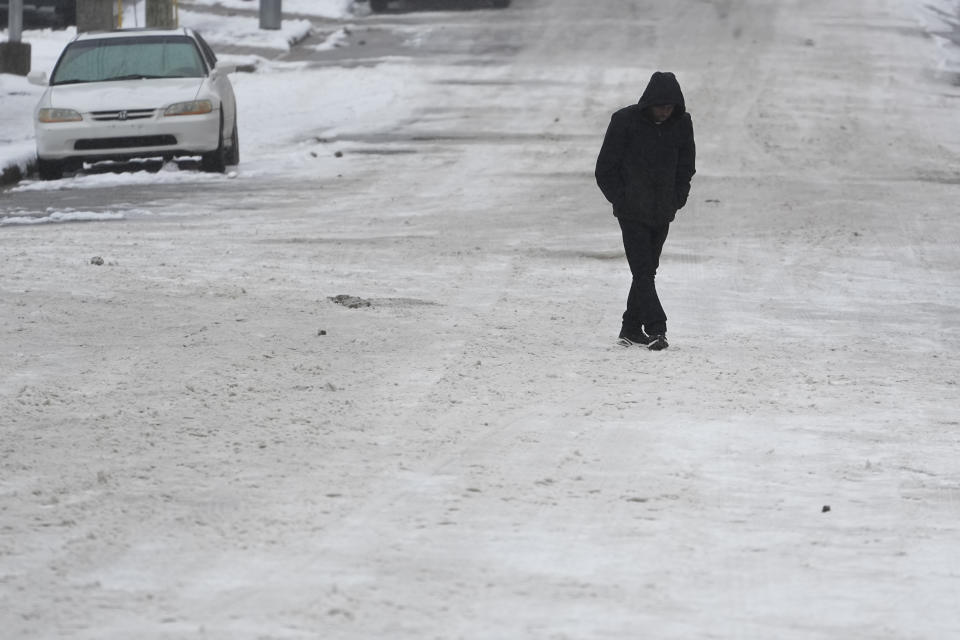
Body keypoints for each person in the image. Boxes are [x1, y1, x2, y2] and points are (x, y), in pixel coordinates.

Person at [595, 71, 696, 350]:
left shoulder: (682, 124)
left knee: (647, 269)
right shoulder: (624, 121)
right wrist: (621, 199)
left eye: (670, 106)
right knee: (643, 271)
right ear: (648, 102)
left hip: (662, 209)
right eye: (660, 106)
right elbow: (605, 168)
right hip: (631, 212)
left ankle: (630, 329)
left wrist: (677, 198)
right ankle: (656, 328)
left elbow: (686, 165)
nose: (665, 111)